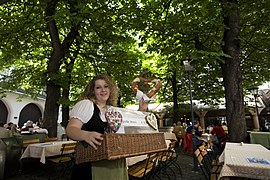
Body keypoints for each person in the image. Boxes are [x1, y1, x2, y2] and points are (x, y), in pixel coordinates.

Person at [66, 74, 128, 180]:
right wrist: (85, 134)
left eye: (106, 86)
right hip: (91, 164)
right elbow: (70, 129)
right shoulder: (86, 105)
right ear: (93, 91)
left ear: (111, 89)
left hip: (115, 164)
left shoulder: (112, 110)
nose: (103, 90)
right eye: (98, 87)